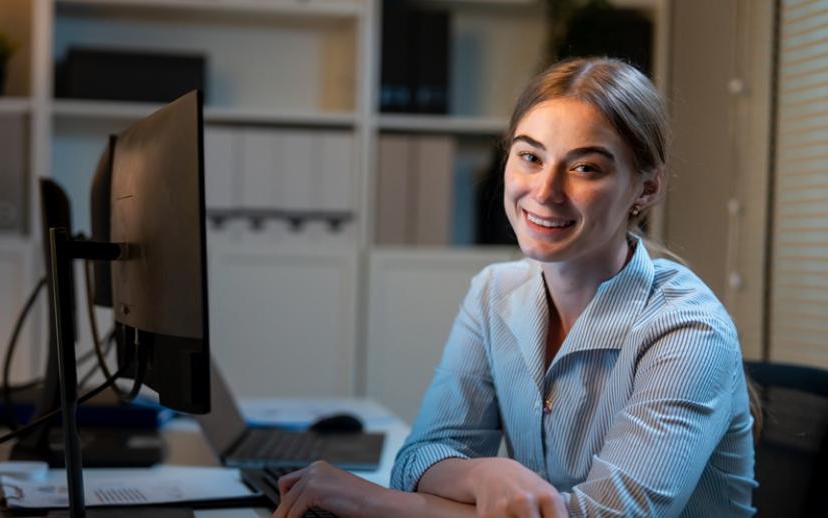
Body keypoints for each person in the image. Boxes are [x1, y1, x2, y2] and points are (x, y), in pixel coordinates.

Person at [271, 57, 758, 518]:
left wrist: (375, 505)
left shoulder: (690, 332)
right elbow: (420, 458)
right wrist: (486, 473)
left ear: (646, 188)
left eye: (585, 167)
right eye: (530, 156)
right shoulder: (494, 293)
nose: (544, 191)